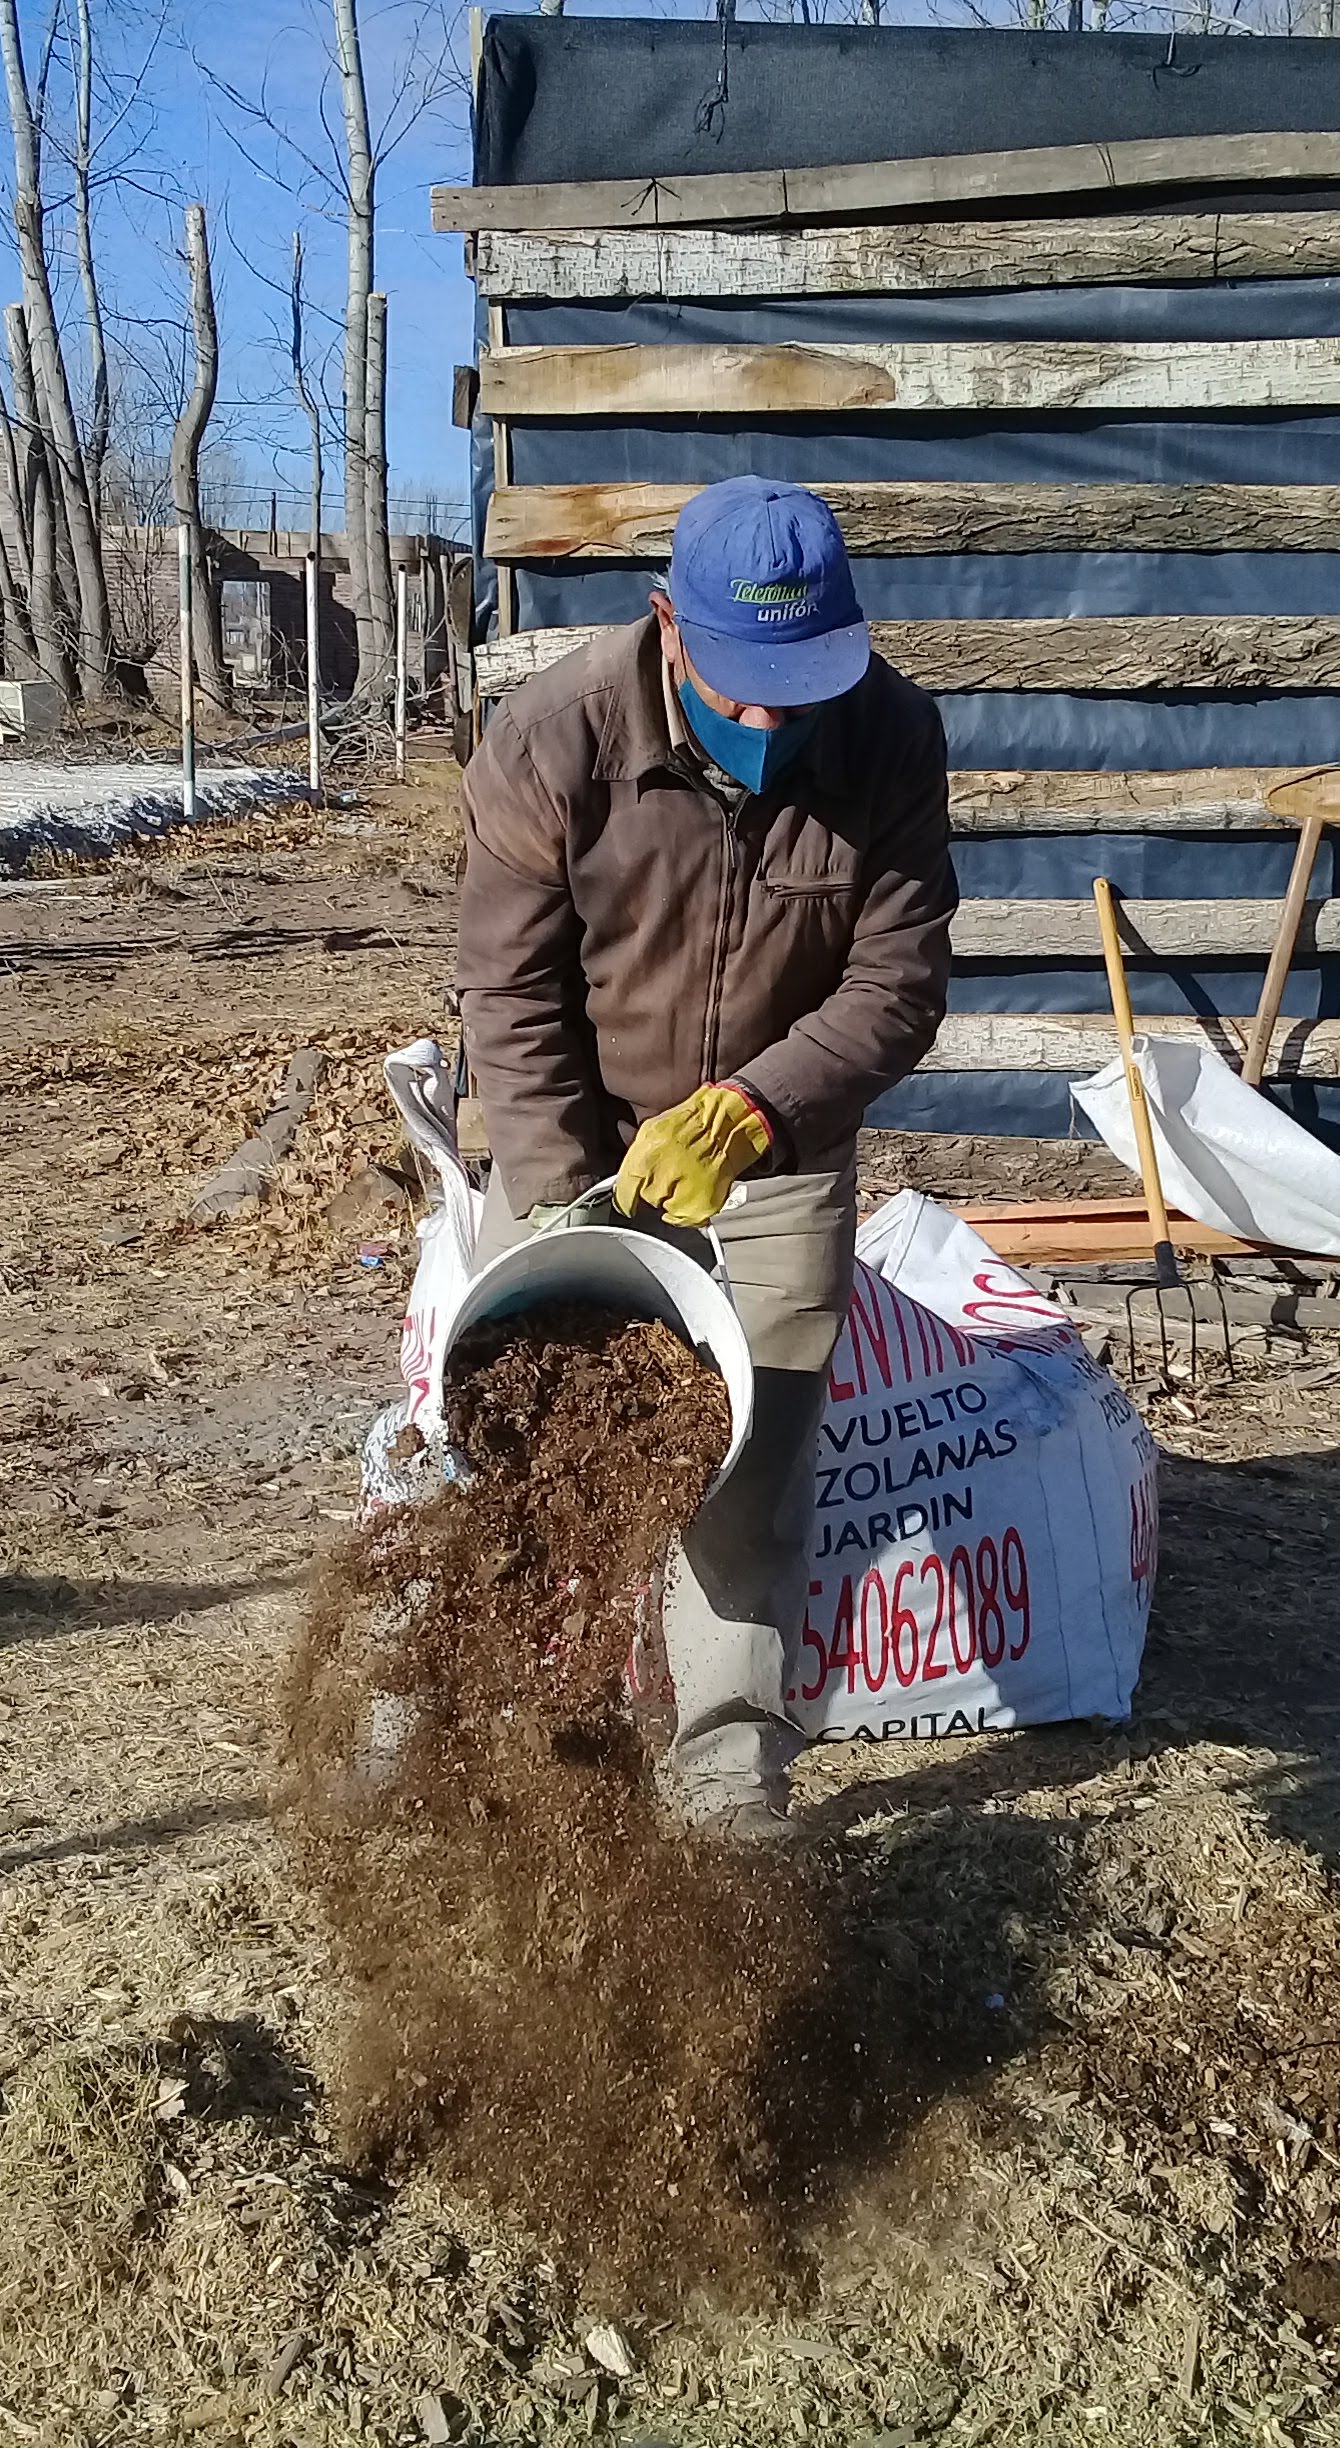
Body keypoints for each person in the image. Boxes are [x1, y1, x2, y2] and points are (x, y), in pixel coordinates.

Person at [455, 475, 955, 1833]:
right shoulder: (552, 741)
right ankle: (546, 1749)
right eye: (746, 688)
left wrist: (753, 1111)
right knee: (548, 1458)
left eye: (804, 687)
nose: (776, 720)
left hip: (776, 1150)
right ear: (670, 625)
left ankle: (728, 1775)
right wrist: (566, 1219)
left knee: (750, 1476)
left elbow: (897, 986)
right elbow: (511, 998)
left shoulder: (893, 739)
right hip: (585, 1139)